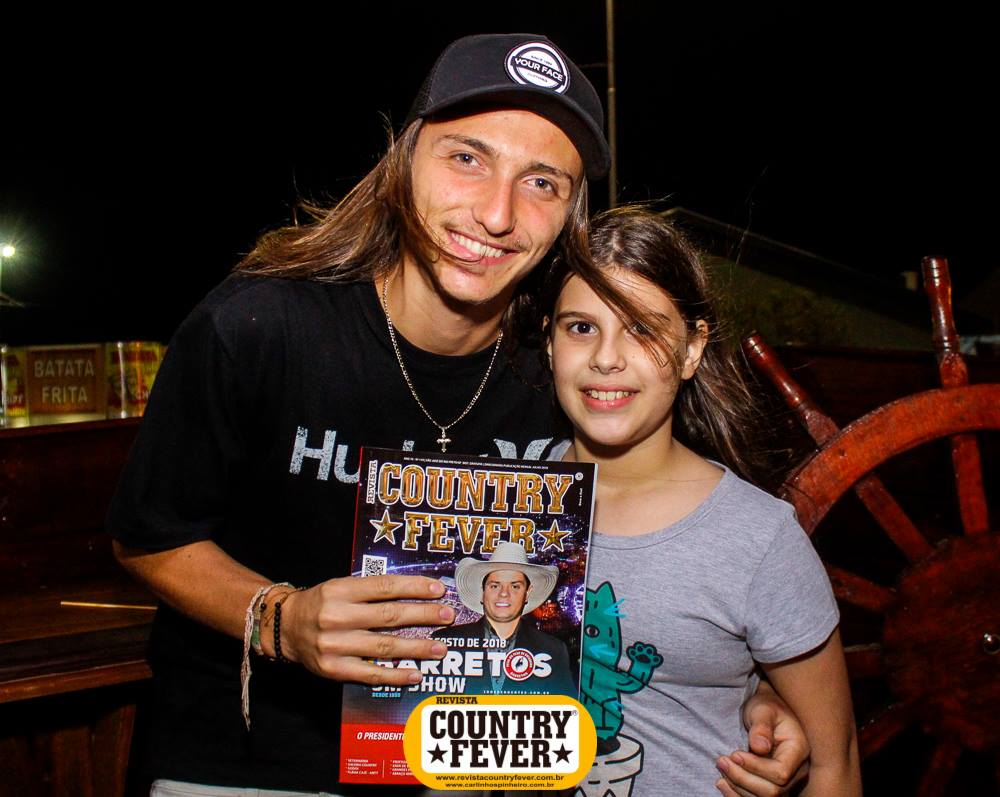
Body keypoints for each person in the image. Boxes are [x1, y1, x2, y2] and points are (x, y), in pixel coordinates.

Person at [108, 33, 810, 796]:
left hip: (475, 769)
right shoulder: (259, 327)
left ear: (570, 212)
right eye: (468, 158)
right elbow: (148, 537)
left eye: (541, 182)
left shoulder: (563, 366)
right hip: (246, 761)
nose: (497, 213)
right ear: (404, 160)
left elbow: (643, 555)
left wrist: (745, 693)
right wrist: (282, 619)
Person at [542, 207, 861, 797]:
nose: (606, 357)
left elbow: (834, 764)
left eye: (642, 329)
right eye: (581, 327)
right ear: (549, 343)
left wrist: (765, 694)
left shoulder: (758, 537)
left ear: (692, 350)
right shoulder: (493, 498)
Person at [431, 541, 576, 695]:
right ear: (483, 591)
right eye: (495, 585)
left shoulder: (553, 650)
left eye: (515, 586)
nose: (504, 593)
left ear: (527, 593)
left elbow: (565, 706)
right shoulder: (444, 643)